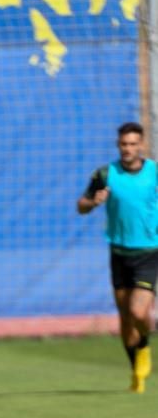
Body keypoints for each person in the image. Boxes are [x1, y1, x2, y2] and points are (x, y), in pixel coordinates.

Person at [77, 121, 158, 393]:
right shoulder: (105, 174)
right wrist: (94, 201)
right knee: (125, 317)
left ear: (142, 145)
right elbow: (81, 206)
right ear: (118, 145)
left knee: (138, 311)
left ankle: (145, 344)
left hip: (148, 252)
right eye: (124, 144)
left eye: (133, 144)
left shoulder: (154, 172)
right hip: (119, 253)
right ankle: (136, 373)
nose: (128, 149)